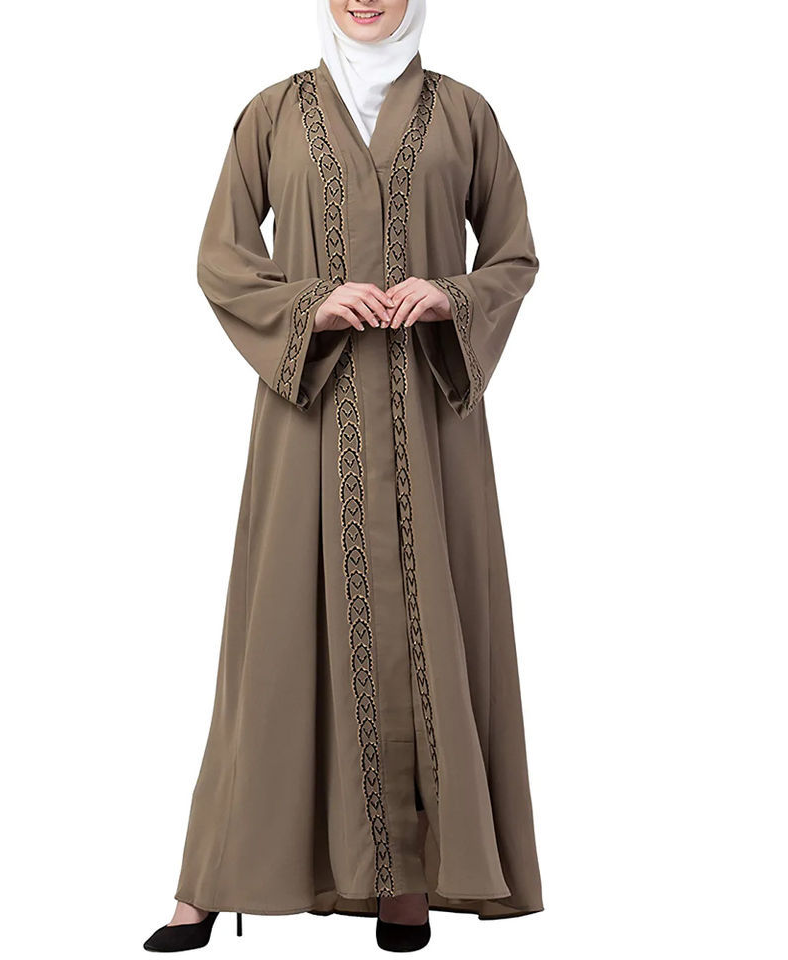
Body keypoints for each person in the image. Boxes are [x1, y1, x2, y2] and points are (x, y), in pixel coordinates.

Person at [144, 0, 543, 952]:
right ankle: (213, 879)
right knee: (274, 644)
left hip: (429, 424)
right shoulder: (272, 114)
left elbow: (515, 256)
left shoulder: (465, 114)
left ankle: (408, 881)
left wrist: (451, 294)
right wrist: (310, 306)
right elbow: (221, 259)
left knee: (431, 620)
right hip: (308, 421)